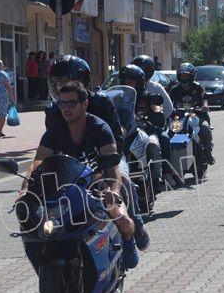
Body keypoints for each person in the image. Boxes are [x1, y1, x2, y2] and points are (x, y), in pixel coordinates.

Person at [20, 81, 140, 269]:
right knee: (36, 228)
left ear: (84, 104)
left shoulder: (100, 128)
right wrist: (25, 189)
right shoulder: (55, 132)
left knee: (123, 221)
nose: (66, 108)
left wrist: (114, 191)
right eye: (62, 103)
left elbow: (113, 167)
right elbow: (37, 163)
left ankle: (128, 242)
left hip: (97, 187)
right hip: (64, 192)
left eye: (71, 103)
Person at [45, 56, 149, 251]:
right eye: (56, 84)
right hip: (73, 164)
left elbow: (117, 139)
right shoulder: (53, 110)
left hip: (107, 159)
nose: (60, 90)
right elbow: (51, 145)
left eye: (64, 83)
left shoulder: (102, 102)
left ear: (82, 82)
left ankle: (136, 225)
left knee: (124, 181)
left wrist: (103, 166)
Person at [169, 62, 215, 165]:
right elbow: (169, 103)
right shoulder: (174, 90)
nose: (184, 78)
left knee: (205, 127)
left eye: (186, 75)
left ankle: (208, 154)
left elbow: (204, 99)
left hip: (197, 115)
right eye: (182, 76)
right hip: (180, 117)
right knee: (170, 132)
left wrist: (204, 106)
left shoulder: (198, 87)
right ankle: (169, 161)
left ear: (192, 76)